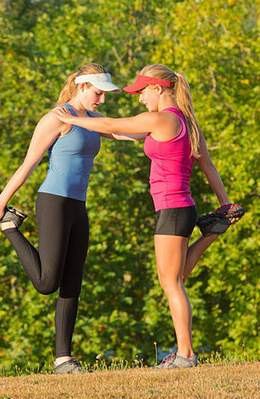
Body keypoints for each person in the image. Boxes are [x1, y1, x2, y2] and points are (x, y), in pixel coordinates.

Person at [53, 64, 243, 368]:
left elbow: (113, 124)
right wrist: (225, 203)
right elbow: (207, 165)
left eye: (142, 91)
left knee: (171, 283)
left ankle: (186, 355)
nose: (140, 98)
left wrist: (71, 118)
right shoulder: (187, 122)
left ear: (158, 88)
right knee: (177, 277)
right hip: (183, 207)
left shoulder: (160, 118)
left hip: (171, 208)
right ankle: (212, 231)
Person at [0, 63, 124, 374]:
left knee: (73, 281)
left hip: (78, 205)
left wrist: (167, 119)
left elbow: (128, 131)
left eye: (105, 95)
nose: (102, 100)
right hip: (54, 203)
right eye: (98, 93)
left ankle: (63, 359)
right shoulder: (57, 118)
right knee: (48, 283)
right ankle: (10, 225)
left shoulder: (94, 119)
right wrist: (1, 203)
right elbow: (28, 164)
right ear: (82, 87)